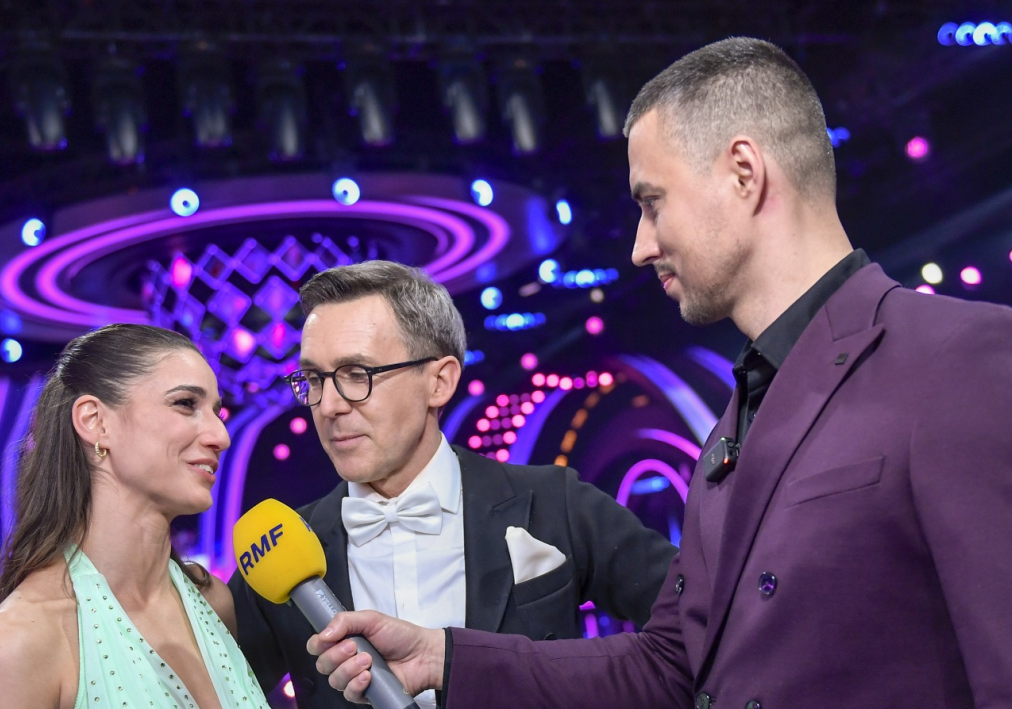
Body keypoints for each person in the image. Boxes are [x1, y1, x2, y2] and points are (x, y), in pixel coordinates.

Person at [306, 37, 1012, 709]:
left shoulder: (965, 362)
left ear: (744, 172)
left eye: (653, 203)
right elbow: (672, 665)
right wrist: (448, 656)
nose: (640, 245)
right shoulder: (732, 428)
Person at [226, 260, 678, 709]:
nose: (328, 406)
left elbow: (697, 633)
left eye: (357, 375)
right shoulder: (279, 550)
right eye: (313, 380)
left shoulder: (553, 501)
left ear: (439, 382)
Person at [0, 325, 270, 709]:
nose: (220, 436)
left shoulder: (214, 601)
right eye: (185, 404)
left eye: (217, 412)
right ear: (95, 421)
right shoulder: (19, 641)